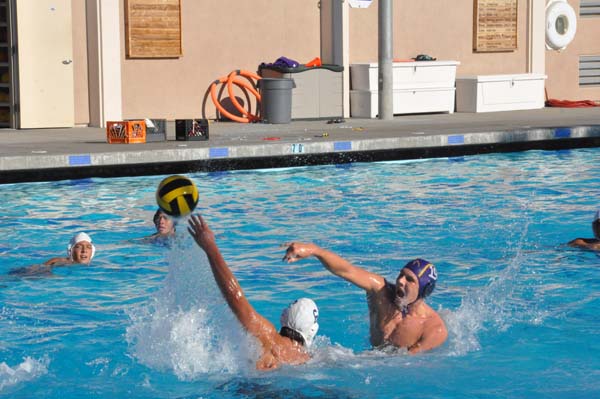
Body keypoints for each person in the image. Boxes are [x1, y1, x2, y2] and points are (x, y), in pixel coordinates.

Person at [187, 214, 319, 370]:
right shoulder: (310, 358)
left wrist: (210, 248)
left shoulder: (270, 338)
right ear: (312, 330)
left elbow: (236, 298)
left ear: (283, 316)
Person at [282, 243, 447, 354]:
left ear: (423, 291)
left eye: (409, 280)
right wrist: (314, 250)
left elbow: (407, 363)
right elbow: (347, 270)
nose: (400, 281)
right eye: (401, 274)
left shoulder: (433, 330)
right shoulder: (381, 291)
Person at [9, 232, 96, 276]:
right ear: (71, 251)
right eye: (79, 247)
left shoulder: (96, 267)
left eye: (88, 247)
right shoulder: (60, 261)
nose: (84, 250)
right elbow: (39, 269)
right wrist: (52, 277)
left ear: (92, 252)